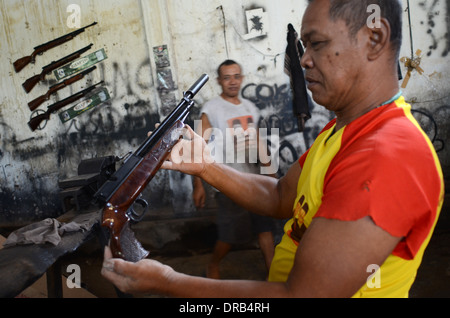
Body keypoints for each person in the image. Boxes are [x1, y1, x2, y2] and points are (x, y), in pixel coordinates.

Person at [102, 0, 444, 298]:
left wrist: (169, 283)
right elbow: (281, 195)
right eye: (303, 46)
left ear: (374, 38)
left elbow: (303, 295)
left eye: (317, 44)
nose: (304, 60)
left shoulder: (389, 154)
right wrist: (206, 166)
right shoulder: (340, 130)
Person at [193, 59, 275, 279]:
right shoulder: (211, 108)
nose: (232, 82)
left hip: (255, 179)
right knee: (230, 234)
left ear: (242, 79)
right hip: (227, 182)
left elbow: (258, 141)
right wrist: (198, 185)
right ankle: (213, 264)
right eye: (227, 77)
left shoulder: (250, 108)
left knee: (264, 228)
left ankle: (273, 274)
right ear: (219, 81)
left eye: (236, 76)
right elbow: (198, 146)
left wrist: (270, 170)